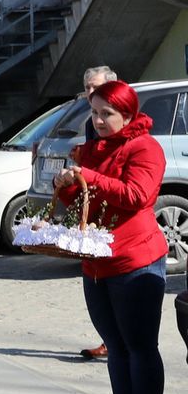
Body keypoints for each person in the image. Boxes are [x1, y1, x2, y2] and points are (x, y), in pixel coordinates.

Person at [53, 80, 167, 394]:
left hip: (136, 261)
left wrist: (91, 176)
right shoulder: (92, 148)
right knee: (116, 347)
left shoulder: (145, 148)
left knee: (140, 347)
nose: (99, 120)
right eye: (94, 112)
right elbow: (83, 204)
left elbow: (137, 196)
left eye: (108, 113)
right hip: (96, 264)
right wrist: (67, 186)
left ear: (128, 114)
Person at [78, 64, 117, 361]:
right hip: (95, 210)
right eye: (88, 88)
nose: (90, 92)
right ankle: (108, 338)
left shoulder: (127, 132)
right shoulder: (92, 123)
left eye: (96, 87)